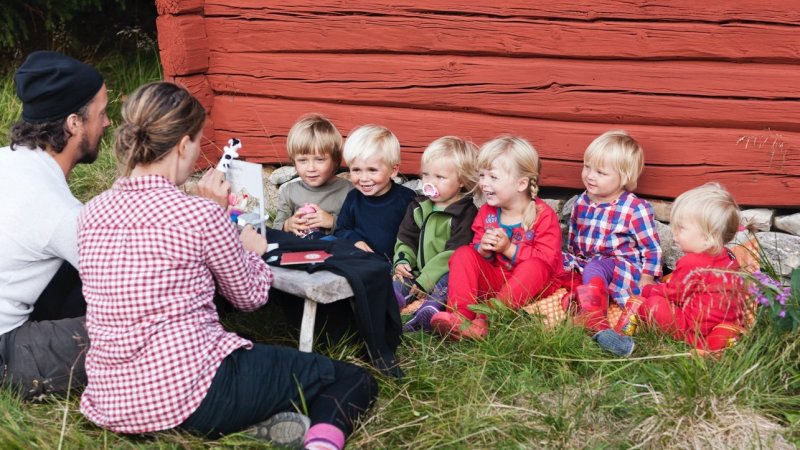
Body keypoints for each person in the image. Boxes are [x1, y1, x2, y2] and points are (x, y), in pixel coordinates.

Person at [77, 82, 376, 450]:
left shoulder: (93, 211)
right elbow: (250, 297)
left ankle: (253, 424)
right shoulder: (201, 214)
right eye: (199, 142)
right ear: (184, 144)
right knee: (352, 379)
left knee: (254, 360)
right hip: (189, 393)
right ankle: (319, 443)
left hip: (111, 398)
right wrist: (251, 248)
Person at [0, 51, 110, 399]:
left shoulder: (7, 160)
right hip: (5, 351)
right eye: (102, 113)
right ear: (74, 123)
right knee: (135, 328)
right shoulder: (56, 208)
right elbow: (128, 278)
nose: (107, 123)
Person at [430, 135, 564, 341]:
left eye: (493, 177)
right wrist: (482, 250)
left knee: (535, 266)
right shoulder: (487, 212)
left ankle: (486, 320)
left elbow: (547, 262)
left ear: (521, 184)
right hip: (496, 282)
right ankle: (461, 317)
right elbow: (477, 254)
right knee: (463, 254)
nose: (483, 183)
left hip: (529, 286)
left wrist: (509, 249)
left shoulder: (542, 215)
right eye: (482, 175)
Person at [599, 183, 746, 355]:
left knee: (653, 304)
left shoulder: (692, 262)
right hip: (720, 325)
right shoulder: (728, 257)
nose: (674, 232)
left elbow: (672, 294)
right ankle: (718, 345)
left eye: (681, 228)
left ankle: (623, 332)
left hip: (693, 330)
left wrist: (648, 290)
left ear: (707, 238)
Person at [562, 130, 662, 333]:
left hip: (619, 267)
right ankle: (575, 298)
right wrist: (570, 260)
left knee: (595, 269)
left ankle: (594, 317)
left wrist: (648, 277)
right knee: (556, 260)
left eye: (601, 173)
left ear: (623, 177)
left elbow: (651, 248)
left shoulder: (634, 208)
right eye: (587, 167)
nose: (590, 176)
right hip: (587, 262)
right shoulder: (582, 201)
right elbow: (574, 237)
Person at [393, 136, 479, 332]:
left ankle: (430, 309)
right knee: (400, 279)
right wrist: (403, 261)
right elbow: (406, 238)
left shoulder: (465, 213)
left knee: (447, 282)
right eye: (426, 175)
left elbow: (453, 252)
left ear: (462, 181)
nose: (430, 183)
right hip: (417, 271)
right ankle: (393, 301)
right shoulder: (418, 206)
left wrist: (426, 280)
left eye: (439, 177)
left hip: (442, 273)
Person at [334, 125, 415, 261]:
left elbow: (415, 236)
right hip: (360, 261)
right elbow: (341, 230)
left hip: (394, 266)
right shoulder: (353, 198)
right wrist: (355, 241)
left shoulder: (407, 199)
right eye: (356, 170)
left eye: (372, 170)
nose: (364, 178)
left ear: (393, 170)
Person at [272, 113, 352, 238]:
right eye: (303, 160)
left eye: (319, 159)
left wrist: (333, 222)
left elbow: (359, 228)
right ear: (294, 161)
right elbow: (276, 228)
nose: (311, 168)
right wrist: (287, 225)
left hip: (336, 252)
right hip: (299, 251)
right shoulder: (289, 192)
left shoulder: (348, 191)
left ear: (335, 160)